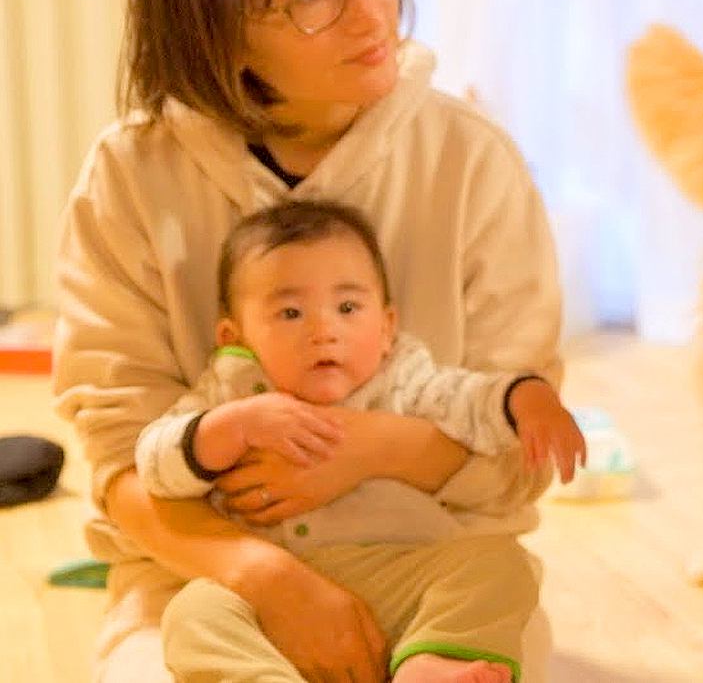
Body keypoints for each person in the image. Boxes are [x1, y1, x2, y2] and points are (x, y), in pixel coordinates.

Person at [54, 0, 565, 683]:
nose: (373, 8)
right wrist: (266, 575)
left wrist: (365, 449)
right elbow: (117, 456)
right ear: (211, 25)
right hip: (201, 579)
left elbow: (518, 444)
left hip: (433, 556)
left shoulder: (470, 155)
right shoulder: (131, 175)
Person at [136, 199, 584, 681]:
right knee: (193, 614)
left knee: (499, 564)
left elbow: (473, 402)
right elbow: (154, 463)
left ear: (387, 327)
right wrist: (228, 428)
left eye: (348, 307)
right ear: (235, 334)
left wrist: (529, 398)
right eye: (290, 312)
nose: (324, 330)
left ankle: (430, 664)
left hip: (401, 571)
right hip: (269, 589)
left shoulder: (404, 379)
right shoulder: (232, 388)